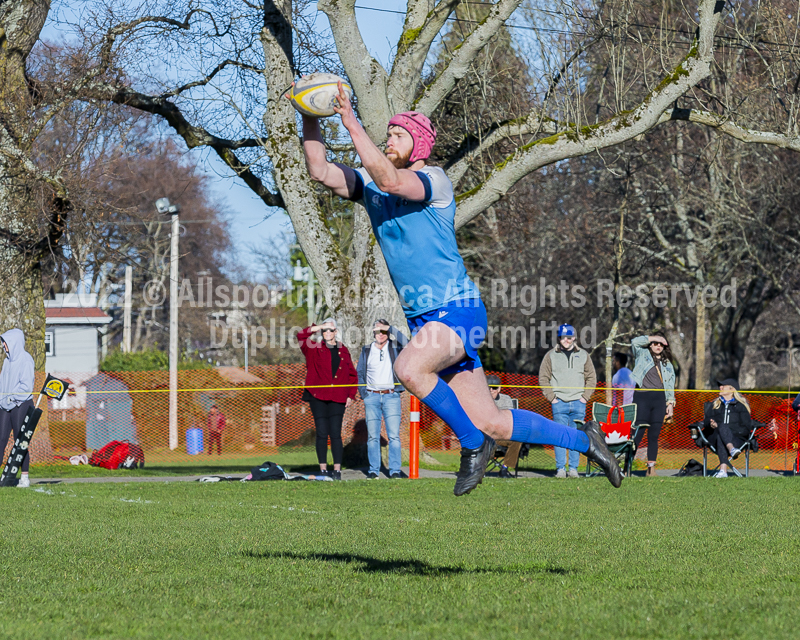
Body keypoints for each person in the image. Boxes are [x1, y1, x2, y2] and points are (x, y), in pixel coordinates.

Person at [296, 81, 621, 495]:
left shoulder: (433, 180)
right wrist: (309, 115)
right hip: (427, 322)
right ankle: (586, 441)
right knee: (494, 421)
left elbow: (394, 181)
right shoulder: (372, 186)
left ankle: (472, 446)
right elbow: (321, 170)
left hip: (458, 310)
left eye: (399, 134)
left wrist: (351, 122)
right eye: (388, 133)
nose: (389, 138)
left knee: (408, 369)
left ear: (420, 146)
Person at [297, 318, 358, 480]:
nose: (328, 333)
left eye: (331, 330)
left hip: (338, 397)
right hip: (318, 396)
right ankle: (323, 469)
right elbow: (301, 336)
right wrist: (320, 326)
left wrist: (351, 395)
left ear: (336, 332)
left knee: (335, 434)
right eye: (325, 331)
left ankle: (337, 470)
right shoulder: (314, 348)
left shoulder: (343, 350)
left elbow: (352, 374)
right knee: (322, 433)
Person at [539, 324, 597, 478]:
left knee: (576, 436)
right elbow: (543, 378)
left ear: (574, 338)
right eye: (563, 337)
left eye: (569, 337)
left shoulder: (584, 355)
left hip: (579, 403)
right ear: (559, 338)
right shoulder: (550, 356)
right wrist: (552, 398)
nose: (566, 340)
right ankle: (560, 469)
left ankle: (573, 469)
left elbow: (591, 377)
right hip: (559, 403)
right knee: (559, 436)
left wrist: (585, 397)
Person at [356, 319, 408, 479]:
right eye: (377, 331)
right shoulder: (366, 350)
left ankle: (394, 471)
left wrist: (390, 328)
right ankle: (373, 470)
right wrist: (364, 394)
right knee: (372, 436)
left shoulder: (395, 348)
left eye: (383, 331)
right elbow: (360, 373)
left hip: (391, 396)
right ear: (373, 332)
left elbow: (407, 342)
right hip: (371, 397)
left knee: (394, 436)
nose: (380, 334)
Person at [630, 332, 676, 477]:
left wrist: (670, 404)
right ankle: (626, 467)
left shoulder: (667, 363)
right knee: (637, 434)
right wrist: (655, 337)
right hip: (642, 397)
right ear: (650, 344)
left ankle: (651, 468)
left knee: (654, 435)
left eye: (661, 344)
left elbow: (670, 386)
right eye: (655, 343)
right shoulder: (642, 354)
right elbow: (634, 342)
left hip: (659, 399)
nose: (658, 346)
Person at [0, 328, 36, 488]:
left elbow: (26, 386)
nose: (3, 346)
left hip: (21, 403)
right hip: (5, 403)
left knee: (20, 441)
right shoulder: (6, 361)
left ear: (13, 342)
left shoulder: (26, 360)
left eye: (5, 342)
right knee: (1, 439)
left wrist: (12, 396)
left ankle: (24, 477)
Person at [702, 379, 752, 478]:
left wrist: (726, 429)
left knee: (722, 429)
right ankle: (731, 449)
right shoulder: (714, 405)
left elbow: (746, 427)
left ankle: (723, 471)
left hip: (737, 439)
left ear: (732, 389)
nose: (720, 387)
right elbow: (706, 421)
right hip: (714, 439)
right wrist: (711, 424)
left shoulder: (741, 406)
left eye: (723, 386)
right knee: (721, 430)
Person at [486, 374, 520, 479]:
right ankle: (479, 468)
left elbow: (509, 419)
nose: (491, 390)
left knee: (517, 440)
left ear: (499, 388)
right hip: (485, 435)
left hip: (501, 435)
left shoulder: (506, 399)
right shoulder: (479, 400)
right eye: (488, 387)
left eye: (494, 387)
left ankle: (504, 469)